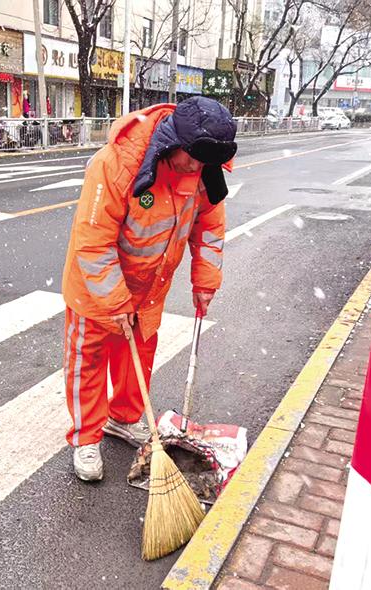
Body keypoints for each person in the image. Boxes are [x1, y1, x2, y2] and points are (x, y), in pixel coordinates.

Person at [61, 97, 237, 481]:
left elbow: (209, 227)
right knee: (87, 362)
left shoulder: (205, 169)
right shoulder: (117, 163)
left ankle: (123, 418)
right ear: (172, 140)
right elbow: (93, 241)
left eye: (203, 163)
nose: (194, 169)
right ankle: (86, 437)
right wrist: (114, 299)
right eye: (190, 159)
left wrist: (205, 280)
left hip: (150, 285)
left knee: (136, 357)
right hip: (97, 285)